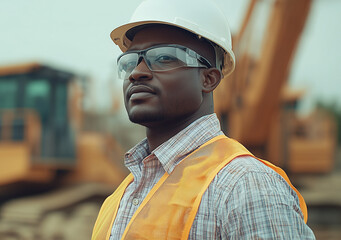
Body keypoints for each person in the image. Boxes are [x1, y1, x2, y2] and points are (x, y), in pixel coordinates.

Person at [92, 0, 316, 239]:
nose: (137, 72)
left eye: (164, 57)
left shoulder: (245, 187)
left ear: (209, 79)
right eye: (129, 62)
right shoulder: (120, 197)